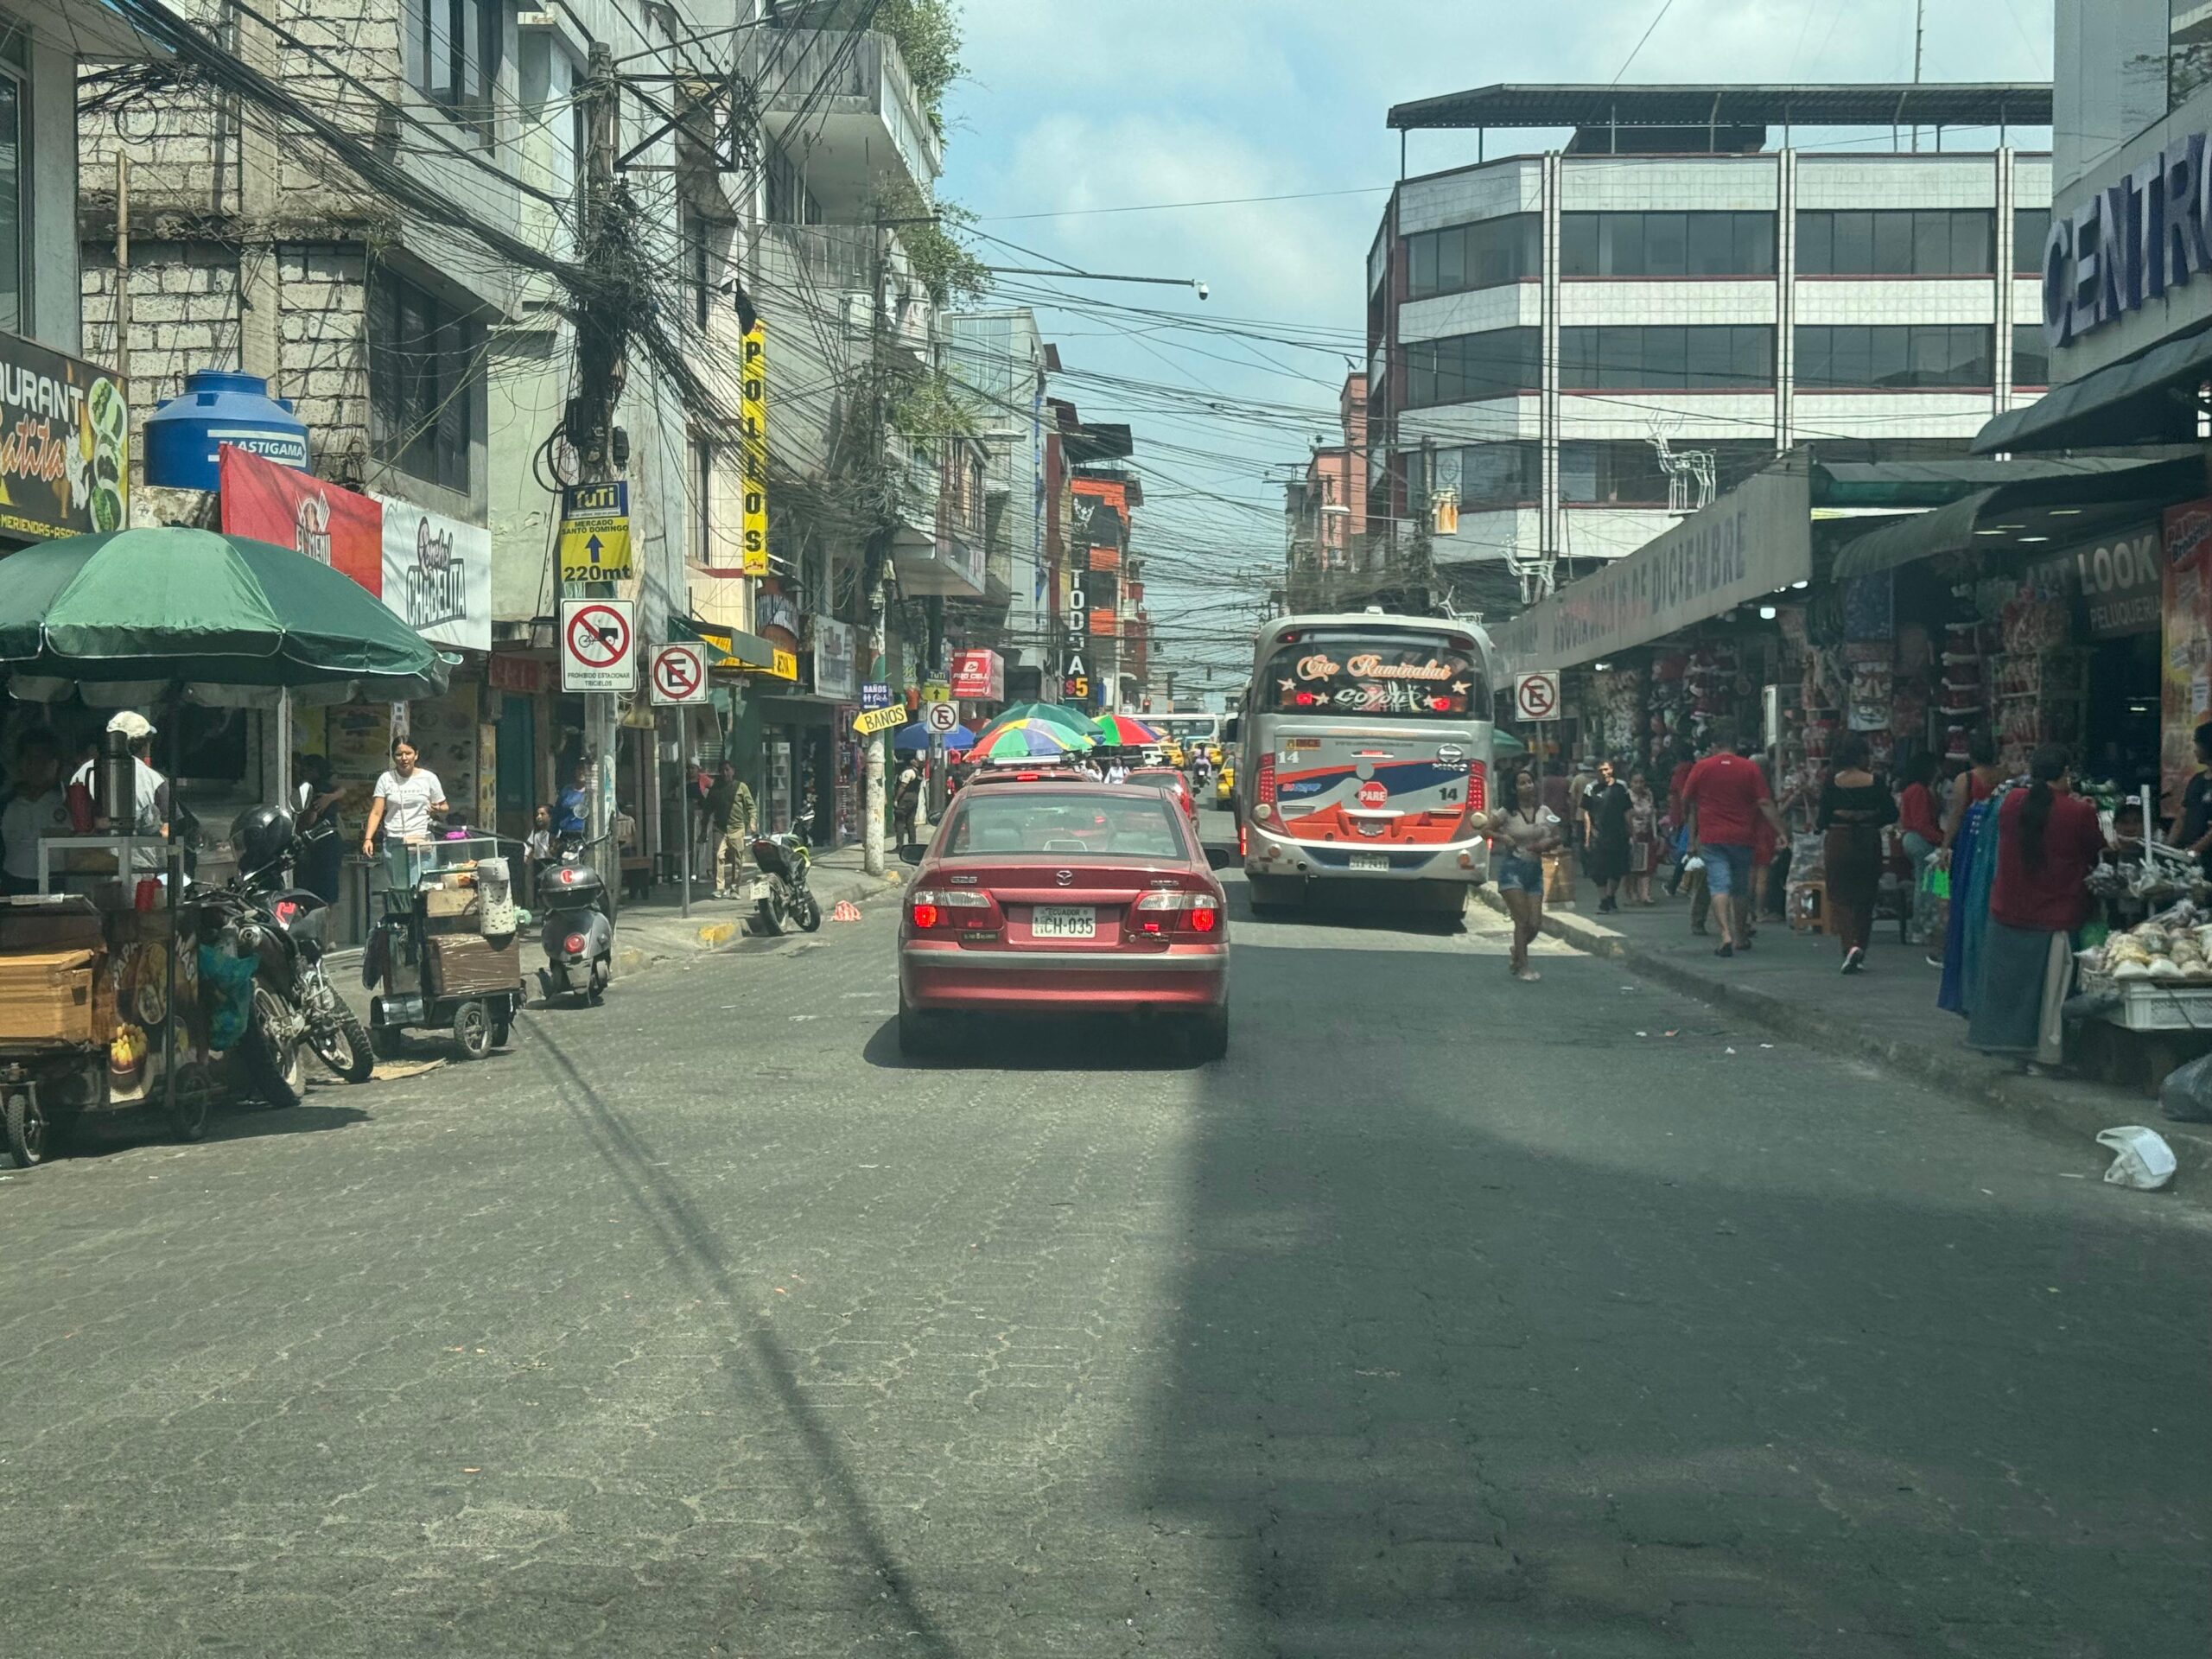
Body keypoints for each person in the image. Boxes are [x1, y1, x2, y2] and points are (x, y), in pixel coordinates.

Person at [1969, 744, 2109, 1071]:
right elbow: (2095, 850)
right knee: (2049, 996)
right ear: (2064, 774)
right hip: (2054, 915)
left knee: (2012, 991)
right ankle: (2044, 1058)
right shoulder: (2078, 812)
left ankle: (2011, 1050)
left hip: (2008, 911)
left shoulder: (2011, 803)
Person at [1682, 720, 1786, 959]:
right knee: (1740, 888)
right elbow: (1764, 802)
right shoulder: (1749, 769)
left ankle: (1725, 935)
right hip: (1742, 836)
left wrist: (1692, 831)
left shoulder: (1701, 768)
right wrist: (1781, 830)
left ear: (1715, 744)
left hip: (1712, 836)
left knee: (1718, 885)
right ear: (1735, 744)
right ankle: (1741, 936)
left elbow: (1687, 799)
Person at [1817, 733, 1897, 975]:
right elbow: (1891, 814)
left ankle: (1847, 946)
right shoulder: (1877, 781)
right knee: (1866, 895)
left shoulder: (1832, 782)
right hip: (1867, 840)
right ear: (1862, 755)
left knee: (1840, 895)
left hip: (1839, 841)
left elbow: (1822, 819)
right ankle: (1860, 946)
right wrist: (1867, 817)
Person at [69, 710, 170, 877]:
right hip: (138, 874)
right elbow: (168, 831)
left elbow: (71, 821)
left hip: (87, 872)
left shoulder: (81, 774)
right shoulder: (154, 779)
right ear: (145, 744)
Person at [1485, 767, 1561, 982]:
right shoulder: (1506, 812)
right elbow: (1486, 830)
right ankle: (1523, 967)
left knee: (1535, 924)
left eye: (1530, 782)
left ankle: (1517, 951)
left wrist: (1547, 842)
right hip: (1513, 870)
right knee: (1522, 921)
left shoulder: (1544, 811)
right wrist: (1503, 838)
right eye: (1522, 783)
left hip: (1535, 870)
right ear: (1514, 789)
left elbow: (1557, 836)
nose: (1528, 786)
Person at [1, 728, 69, 896]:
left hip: (58, 887)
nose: (35, 765)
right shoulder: (6, 803)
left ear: (56, 763)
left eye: (42, 759)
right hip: (12, 886)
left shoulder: (70, 803)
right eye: (29, 758)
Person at [361, 738, 446, 858]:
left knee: (422, 877)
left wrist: (437, 808)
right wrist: (368, 838)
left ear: (416, 755)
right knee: (398, 877)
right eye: (399, 754)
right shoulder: (385, 779)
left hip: (421, 839)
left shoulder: (429, 778)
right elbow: (376, 812)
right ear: (393, 757)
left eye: (408, 753)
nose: (404, 758)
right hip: (394, 841)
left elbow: (444, 806)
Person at [1895, 750, 1944, 951]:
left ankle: (1926, 926)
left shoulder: (1916, 789)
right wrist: (1943, 839)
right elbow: (1922, 823)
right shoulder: (1918, 791)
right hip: (1920, 838)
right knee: (1928, 884)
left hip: (1915, 838)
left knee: (1926, 882)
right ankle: (1924, 927)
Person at [292, 753, 346, 905]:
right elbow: (342, 790)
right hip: (332, 843)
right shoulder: (328, 788)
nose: (302, 771)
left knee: (315, 894)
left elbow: (310, 819)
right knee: (327, 894)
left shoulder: (315, 789)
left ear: (315, 770)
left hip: (320, 846)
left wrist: (298, 826)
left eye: (306, 768)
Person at [1580, 759, 1631, 913]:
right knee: (1599, 870)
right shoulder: (1591, 788)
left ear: (1612, 769)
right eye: (1600, 770)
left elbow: (1627, 810)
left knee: (1617, 869)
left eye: (1606, 769)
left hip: (1618, 834)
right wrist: (1588, 836)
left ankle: (1611, 897)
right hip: (1598, 835)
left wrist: (1631, 832)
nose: (1604, 773)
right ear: (1596, 772)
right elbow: (1586, 813)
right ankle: (1603, 901)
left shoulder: (1621, 787)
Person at [707, 761, 756, 899]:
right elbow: (708, 809)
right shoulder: (715, 788)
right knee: (718, 856)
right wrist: (703, 830)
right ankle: (719, 888)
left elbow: (751, 807)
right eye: (722, 770)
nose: (725, 773)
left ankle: (735, 888)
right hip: (720, 828)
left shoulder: (741, 787)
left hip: (736, 828)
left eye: (727, 770)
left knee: (737, 859)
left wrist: (752, 822)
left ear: (733, 771)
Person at [2171, 721, 2212, 874]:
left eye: (2197, 745)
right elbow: (2182, 816)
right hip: (2189, 860)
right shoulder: (2197, 780)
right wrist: (2169, 849)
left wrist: (2193, 852)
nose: (2194, 750)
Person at [1625, 769, 1658, 906]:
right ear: (1631, 783)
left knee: (1648, 866)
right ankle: (1632, 893)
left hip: (1647, 833)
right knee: (1633, 866)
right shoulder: (1627, 796)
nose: (1639, 785)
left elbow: (1652, 815)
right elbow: (1626, 816)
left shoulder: (1648, 795)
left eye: (1641, 782)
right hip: (1632, 834)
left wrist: (1655, 833)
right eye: (1636, 782)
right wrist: (1630, 834)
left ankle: (1645, 894)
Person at [554, 760, 591, 839]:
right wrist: (553, 833)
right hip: (566, 834)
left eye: (584, 769)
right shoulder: (566, 791)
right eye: (579, 769)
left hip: (587, 836)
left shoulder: (594, 793)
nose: (581, 772)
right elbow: (556, 813)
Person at [893, 757, 922, 846]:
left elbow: (903, 786)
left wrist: (896, 799)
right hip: (914, 798)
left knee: (899, 821)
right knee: (910, 822)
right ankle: (912, 844)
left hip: (906, 798)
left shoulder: (908, 772)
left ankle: (900, 845)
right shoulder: (918, 773)